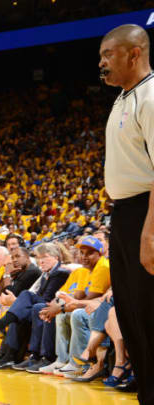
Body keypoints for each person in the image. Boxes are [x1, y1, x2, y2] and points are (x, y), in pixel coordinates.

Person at [101, 24, 154, 402]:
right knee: (131, 311)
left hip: (145, 214)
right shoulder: (122, 98)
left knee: (148, 311)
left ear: (134, 54)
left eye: (108, 55)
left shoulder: (151, 97)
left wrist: (150, 233)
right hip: (123, 214)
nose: (101, 64)